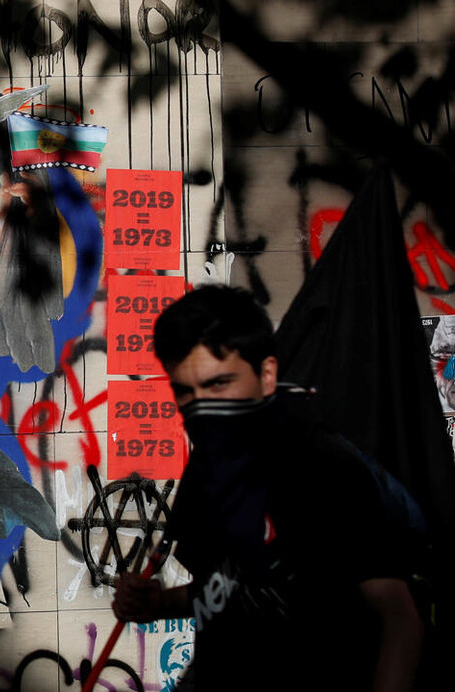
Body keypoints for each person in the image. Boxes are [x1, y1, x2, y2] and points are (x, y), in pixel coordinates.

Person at [111, 285, 425, 691]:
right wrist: (159, 603)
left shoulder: (323, 465)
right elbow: (228, 587)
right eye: (186, 392)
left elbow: (400, 619)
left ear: (267, 375)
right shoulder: (208, 469)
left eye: (219, 384)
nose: (203, 407)